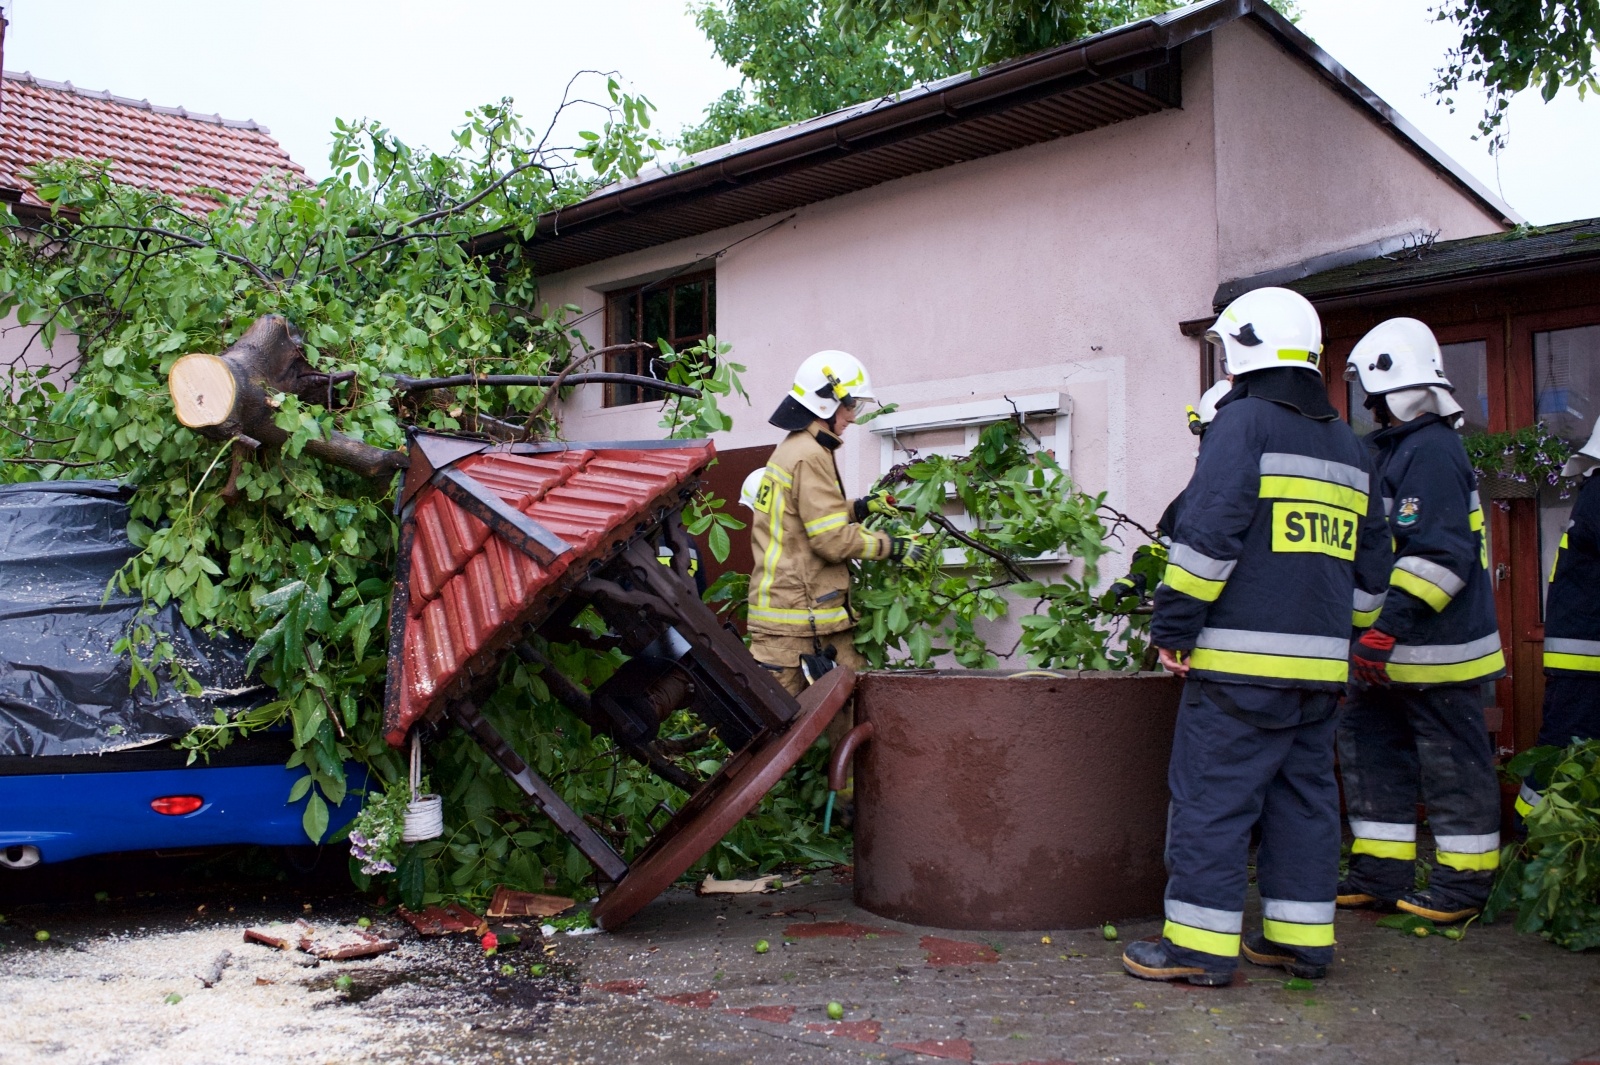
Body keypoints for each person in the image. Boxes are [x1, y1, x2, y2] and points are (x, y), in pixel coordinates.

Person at [1125, 286, 1390, 987]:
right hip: (1319, 677)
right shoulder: (1350, 446)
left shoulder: (1241, 425)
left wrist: (1173, 628)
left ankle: (1198, 949)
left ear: (1244, 349)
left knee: (1212, 801)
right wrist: (1341, 635)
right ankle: (1298, 943)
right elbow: (1372, 575)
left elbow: (1207, 540)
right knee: (1304, 801)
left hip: (1238, 671)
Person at [1336, 317, 1505, 924]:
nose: (1368, 407)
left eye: (1372, 395)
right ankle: (1380, 875)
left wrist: (1386, 629)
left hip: (1436, 650)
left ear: (1390, 390)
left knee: (1451, 768)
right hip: (1388, 652)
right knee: (1374, 757)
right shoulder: (1399, 451)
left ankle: (1464, 888)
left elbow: (1440, 555)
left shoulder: (1430, 451)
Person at [746, 351, 923, 737]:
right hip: (796, 619)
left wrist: (858, 508)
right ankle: (839, 795)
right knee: (770, 742)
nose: (853, 417)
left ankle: (844, 794)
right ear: (826, 400)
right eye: (851, 405)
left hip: (798, 614)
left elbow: (806, 517)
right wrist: (891, 546)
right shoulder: (810, 455)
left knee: (836, 719)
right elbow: (827, 539)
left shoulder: (796, 449)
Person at [1516, 416, 1600, 819]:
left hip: (1583, 661)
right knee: (1567, 757)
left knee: (1570, 754)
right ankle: (1530, 842)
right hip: (1587, 664)